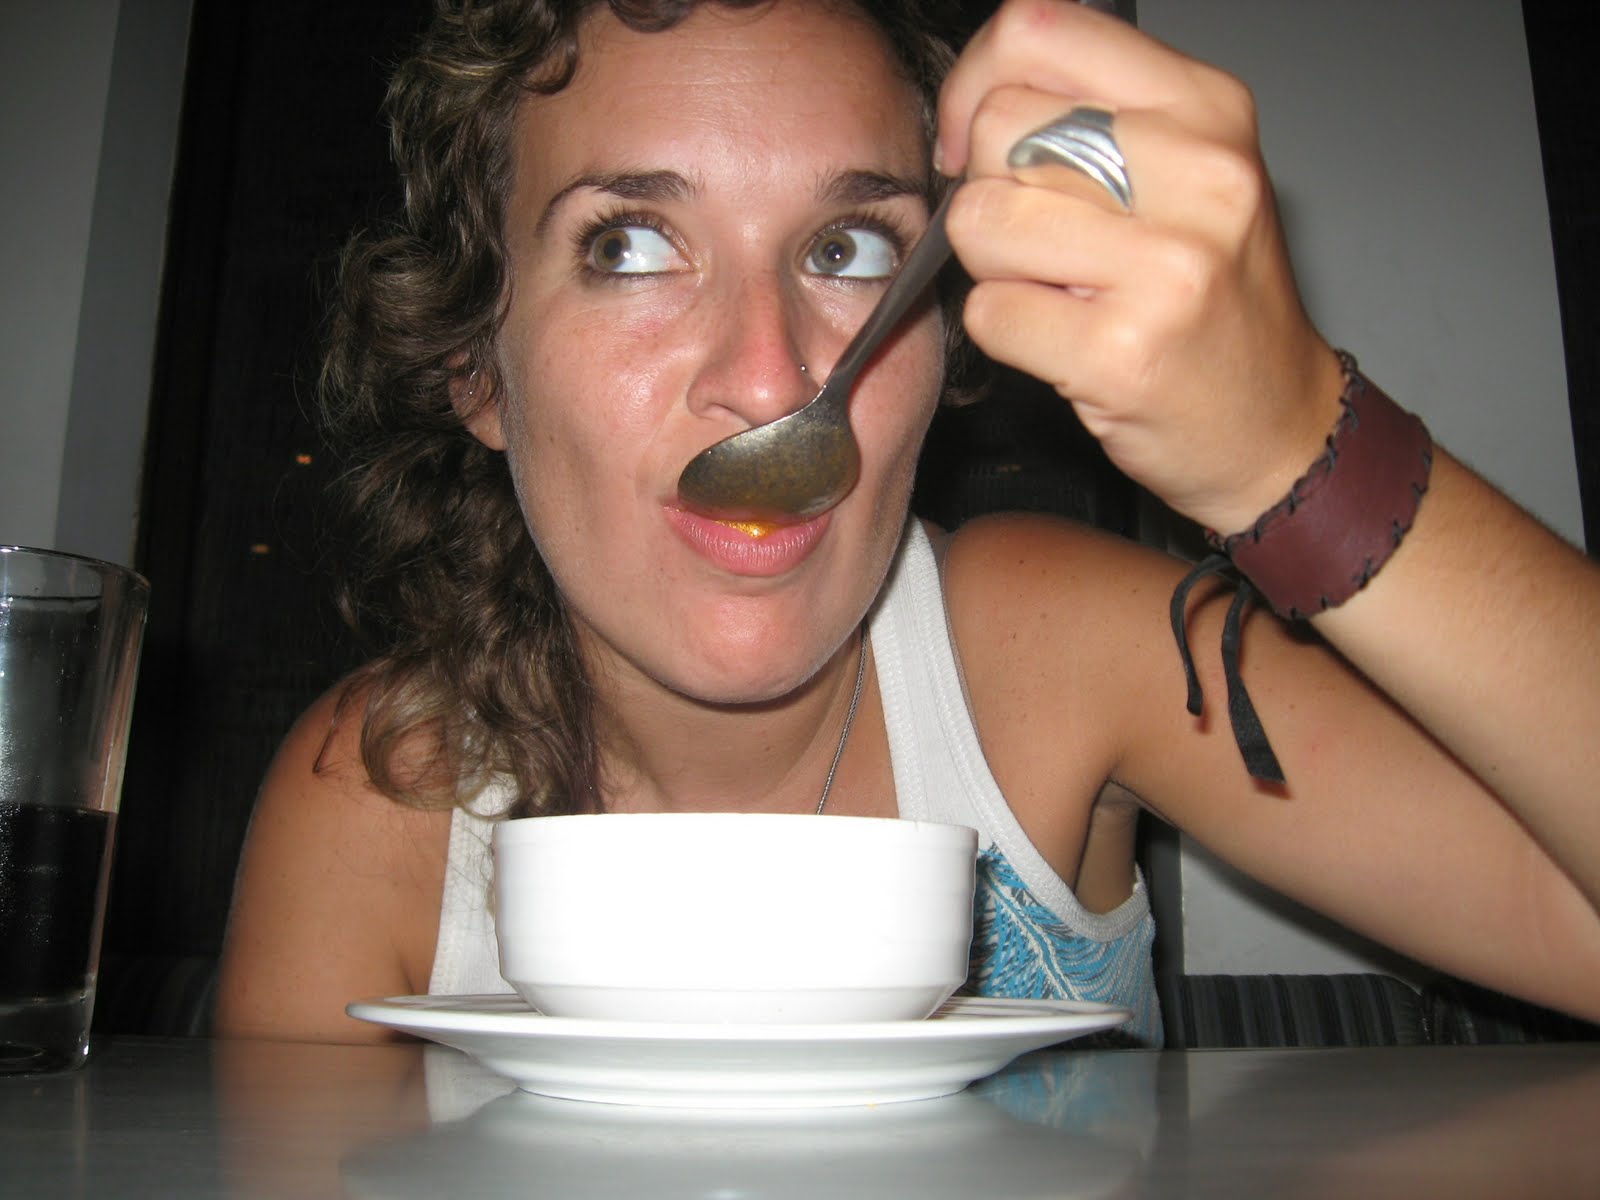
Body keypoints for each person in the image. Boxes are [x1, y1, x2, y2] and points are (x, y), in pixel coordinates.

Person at [214, 0, 1600, 1044]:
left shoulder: (1052, 657)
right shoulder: (376, 802)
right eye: (628, 246)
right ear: (476, 368)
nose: (771, 375)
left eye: (847, 250)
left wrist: (1296, 446)